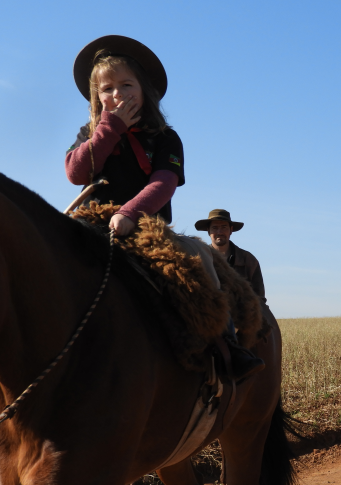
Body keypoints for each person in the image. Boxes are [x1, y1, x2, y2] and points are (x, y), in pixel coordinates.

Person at [65, 35, 263, 381]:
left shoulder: (165, 138)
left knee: (196, 262)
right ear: (96, 95)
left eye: (127, 84)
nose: (117, 94)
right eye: (107, 88)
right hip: (90, 221)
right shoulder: (90, 132)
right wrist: (110, 129)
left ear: (145, 90)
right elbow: (75, 172)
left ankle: (228, 346)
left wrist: (129, 214)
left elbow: (164, 183)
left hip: (145, 226)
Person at [195, 209, 266, 303]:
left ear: (231, 230)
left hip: (242, 315)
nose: (219, 232)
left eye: (224, 227)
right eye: (215, 228)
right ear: (208, 231)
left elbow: (259, 299)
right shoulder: (199, 260)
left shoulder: (248, 260)